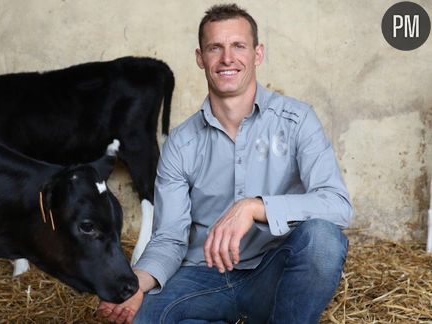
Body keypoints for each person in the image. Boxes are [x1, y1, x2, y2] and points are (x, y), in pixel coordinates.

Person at [97, 3, 353, 323]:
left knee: (323, 240)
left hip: (271, 276)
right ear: (200, 58)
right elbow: (170, 238)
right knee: (139, 317)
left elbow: (338, 205)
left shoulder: (297, 120)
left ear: (257, 54)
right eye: (215, 48)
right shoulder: (181, 143)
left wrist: (254, 207)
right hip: (203, 279)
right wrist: (135, 284)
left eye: (238, 46)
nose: (227, 58)